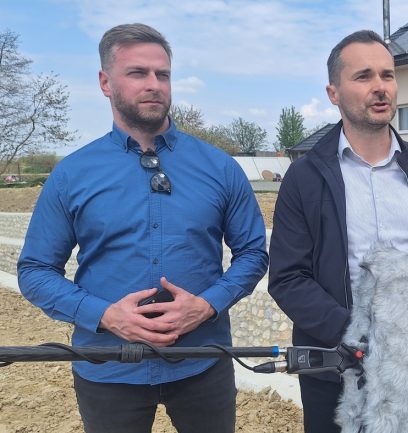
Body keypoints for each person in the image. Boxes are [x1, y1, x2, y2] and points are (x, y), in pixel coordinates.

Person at [17, 23, 268, 433]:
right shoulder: (71, 175)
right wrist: (104, 315)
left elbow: (253, 254)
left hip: (202, 362)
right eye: (137, 73)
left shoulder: (220, 168)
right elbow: (35, 271)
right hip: (108, 367)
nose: (154, 85)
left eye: (162, 74)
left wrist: (207, 305)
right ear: (105, 82)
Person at [268, 30, 408, 433]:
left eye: (388, 75)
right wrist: (355, 335)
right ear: (333, 92)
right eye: (363, 76)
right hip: (332, 369)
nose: (380, 86)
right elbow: (288, 277)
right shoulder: (305, 177)